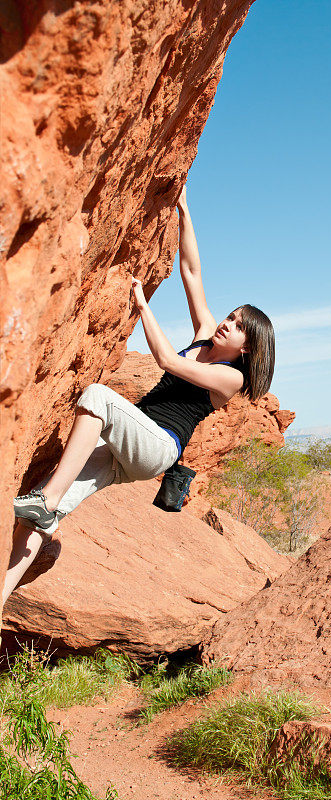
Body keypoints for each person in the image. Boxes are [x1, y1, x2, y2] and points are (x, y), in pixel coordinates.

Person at [4, 185, 275, 603]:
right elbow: (191, 272)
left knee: (96, 396)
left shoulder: (231, 378)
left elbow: (167, 360)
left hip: (157, 446)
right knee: (40, 520)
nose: (226, 323)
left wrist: (144, 306)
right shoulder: (205, 335)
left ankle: (49, 497)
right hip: (126, 447)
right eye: (230, 316)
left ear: (248, 348)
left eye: (238, 326)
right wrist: (185, 211)